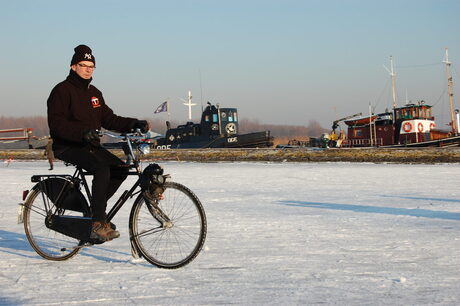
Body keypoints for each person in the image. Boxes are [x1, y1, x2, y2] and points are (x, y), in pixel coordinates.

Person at [47, 45, 149, 242]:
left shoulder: (94, 93)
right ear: (73, 66)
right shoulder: (61, 91)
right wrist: (82, 133)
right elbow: (57, 125)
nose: (88, 69)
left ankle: (95, 211)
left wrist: (133, 123)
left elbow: (109, 119)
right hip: (68, 145)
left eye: (91, 66)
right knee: (101, 168)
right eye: (83, 65)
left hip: (90, 146)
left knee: (120, 168)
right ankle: (98, 221)